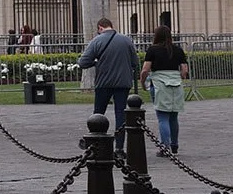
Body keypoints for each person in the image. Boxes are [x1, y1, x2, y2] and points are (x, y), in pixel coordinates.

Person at [79, 17, 138, 153]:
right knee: (120, 115)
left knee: (98, 113)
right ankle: (119, 147)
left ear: (100, 28)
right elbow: (134, 62)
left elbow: (83, 62)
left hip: (104, 82)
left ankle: (95, 143)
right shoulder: (126, 40)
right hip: (123, 82)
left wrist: (95, 63)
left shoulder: (97, 41)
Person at [141, 26, 188, 155]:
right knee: (174, 116)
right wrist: (179, 77)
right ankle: (174, 144)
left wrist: (143, 83)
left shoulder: (153, 50)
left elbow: (145, 69)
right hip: (175, 83)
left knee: (162, 117)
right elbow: (184, 70)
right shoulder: (178, 50)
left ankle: (164, 146)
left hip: (159, 83)